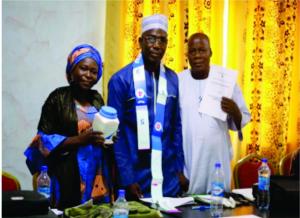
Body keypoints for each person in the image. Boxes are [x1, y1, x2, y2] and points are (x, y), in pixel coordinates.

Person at [107, 14, 188, 200]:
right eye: (151, 39)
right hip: (134, 177)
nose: (157, 45)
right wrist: (127, 178)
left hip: (167, 177)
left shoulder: (173, 79)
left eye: (162, 40)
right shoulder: (120, 80)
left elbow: (176, 128)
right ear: (140, 41)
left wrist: (178, 170)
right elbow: (114, 136)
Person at [24, 44, 111, 209]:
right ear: (72, 70)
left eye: (93, 71)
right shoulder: (58, 97)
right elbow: (41, 140)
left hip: (95, 172)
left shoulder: (97, 99)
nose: (88, 75)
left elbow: (100, 131)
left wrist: (108, 136)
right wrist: (79, 140)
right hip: (65, 172)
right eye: (83, 69)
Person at [178, 33, 251, 194]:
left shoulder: (225, 80)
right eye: (193, 51)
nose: (197, 55)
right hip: (189, 163)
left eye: (202, 50)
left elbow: (242, 119)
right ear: (187, 55)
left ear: (210, 52)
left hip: (217, 161)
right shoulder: (178, 81)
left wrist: (235, 111)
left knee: (217, 210)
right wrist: (176, 171)